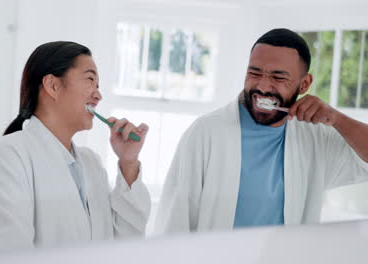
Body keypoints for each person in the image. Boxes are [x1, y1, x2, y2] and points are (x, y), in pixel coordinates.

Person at [155, 28, 368, 234]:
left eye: (278, 77)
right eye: (254, 72)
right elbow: (174, 222)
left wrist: (338, 119)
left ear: (304, 85)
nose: (263, 87)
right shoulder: (205, 133)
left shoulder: (316, 139)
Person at [0, 41, 151, 251]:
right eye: (90, 80)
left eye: (98, 85)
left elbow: (124, 247)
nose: (98, 95)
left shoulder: (91, 163)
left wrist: (128, 162)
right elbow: (9, 253)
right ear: (53, 86)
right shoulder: (12, 153)